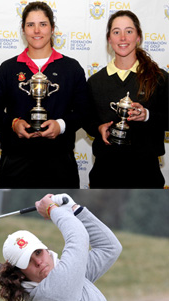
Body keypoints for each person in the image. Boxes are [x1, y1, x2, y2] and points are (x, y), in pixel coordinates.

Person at [0, 1, 87, 188]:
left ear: (52, 28)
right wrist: (13, 123)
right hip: (16, 161)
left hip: (60, 162)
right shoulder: (8, 68)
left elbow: (83, 111)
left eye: (43, 24)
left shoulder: (71, 68)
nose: (37, 30)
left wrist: (61, 125)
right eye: (30, 25)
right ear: (23, 30)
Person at [0, 193, 123, 301]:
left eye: (38, 252)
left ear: (46, 250)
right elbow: (79, 237)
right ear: (20, 273)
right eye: (27, 261)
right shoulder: (53, 291)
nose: (38, 262)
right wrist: (52, 209)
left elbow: (109, 247)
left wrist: (74, 209)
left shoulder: (70, 277)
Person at [85, 10, 168, 188]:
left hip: (146, 175)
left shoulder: (160, 78)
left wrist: (147, 115)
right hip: (105, 174)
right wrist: (98, 127)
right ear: (109, 39)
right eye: (116, 32)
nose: (123, 38)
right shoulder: (95, 81)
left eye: (129, 31)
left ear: (138, 37)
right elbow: (87, 119)